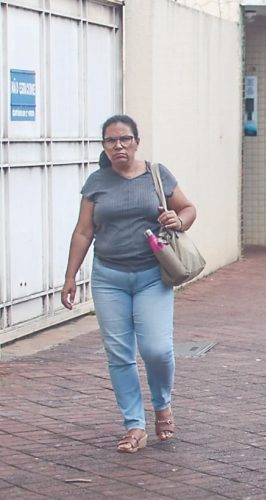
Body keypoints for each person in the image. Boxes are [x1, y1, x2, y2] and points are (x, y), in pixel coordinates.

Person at [61, 114, 197, 453]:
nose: (118, 146)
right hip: (109, 279)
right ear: (104, 146)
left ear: (136, 141)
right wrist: (70, 277)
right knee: (119, 354)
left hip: (153, 275)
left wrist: (177, 220)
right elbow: (84, 231)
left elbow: (189, 209)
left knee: (157, 349)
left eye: (124, 139)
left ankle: (162, 403)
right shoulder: (97, 182)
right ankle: (134, 426)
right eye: (111, 141)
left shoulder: (156, 174)